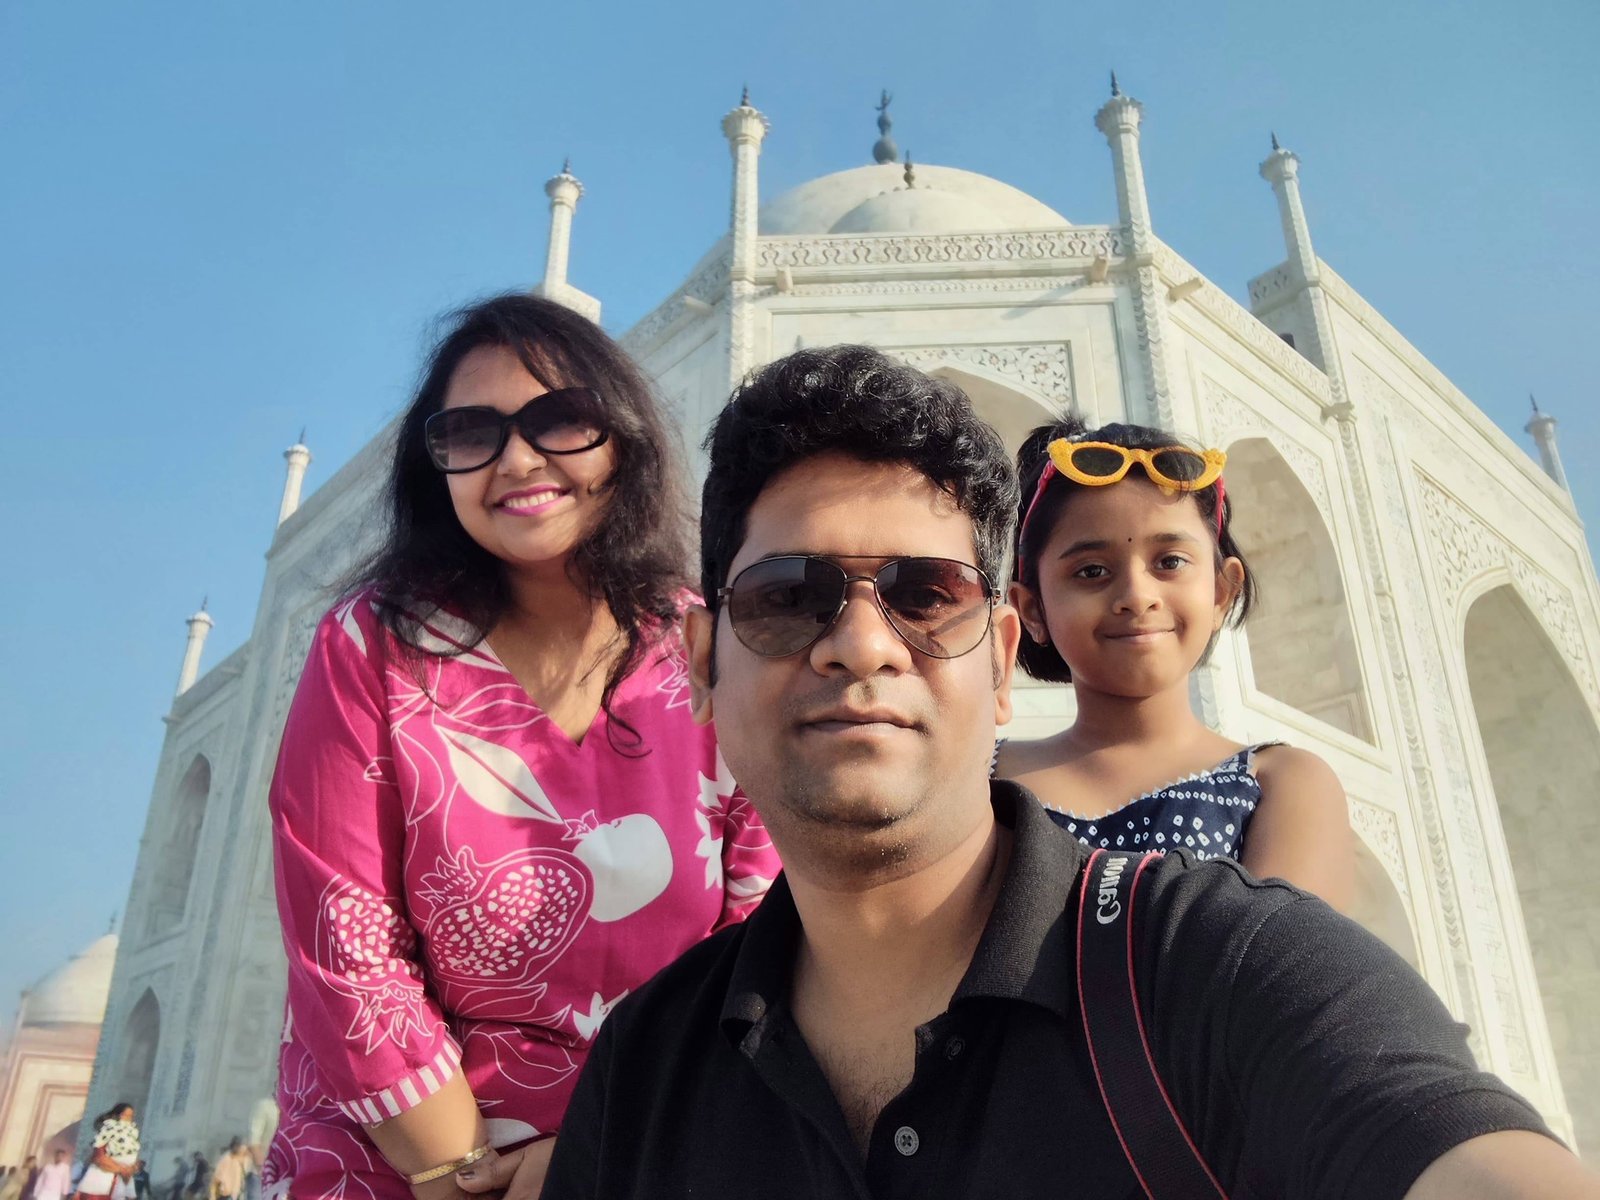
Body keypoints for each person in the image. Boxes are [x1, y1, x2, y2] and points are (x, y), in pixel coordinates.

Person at [535, 345, 1600, 1198]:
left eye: (926, 596)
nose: (860, 646)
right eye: (786, 597)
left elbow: (1422, 1127)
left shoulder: (1216, 964)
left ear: (1001, 660)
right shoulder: (646, 1070)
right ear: (700, 664)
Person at [262, 294, 777, 1200]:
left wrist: (591, 1159)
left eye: (560, 420)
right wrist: (460, 1172)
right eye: (471, 433)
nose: (518, 460)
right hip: (393, 1159)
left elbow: (761, 934)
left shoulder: (709, 647)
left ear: (622, 438)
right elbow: (345, 939)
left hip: (644, 1146)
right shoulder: (374, 644)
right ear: (435, 465)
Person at [996, 418, 1354, 908]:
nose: (1137, 595)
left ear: (1221, 592)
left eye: (1169, 562)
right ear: (1033, 609)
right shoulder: (977, 778)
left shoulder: (1281, 784)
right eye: (1091, 571)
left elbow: (1281, 955)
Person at [73, 1104, 138, 1200]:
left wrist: (131, 1168)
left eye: (130, 1116)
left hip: (119, 1185)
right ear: (117, 1115)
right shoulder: (107, 1133)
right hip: (100, 1183)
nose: (128, 1119)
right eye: (125, 1115)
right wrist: (122, 1170)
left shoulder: (130, 1137)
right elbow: (98, 1158)